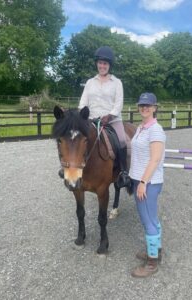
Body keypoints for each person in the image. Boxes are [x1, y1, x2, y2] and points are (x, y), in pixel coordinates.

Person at [78, 46, 130, 188]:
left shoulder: (117, 82)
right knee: (76, 139)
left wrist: (110, 115)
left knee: (122, 140)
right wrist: (84, 115)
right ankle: (74, 168)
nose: (102, 66)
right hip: (92, 120)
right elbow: (83, 103)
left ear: (109, 65)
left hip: (112, 120)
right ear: (97, 64)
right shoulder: (90, 82)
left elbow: (119, 103)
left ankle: (123, 173)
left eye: (105, 64)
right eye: (100, 63)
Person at [129, 92, 166, 278]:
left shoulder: (155, 129)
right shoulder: (141, 128)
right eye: (142, 105)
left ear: (154, 108)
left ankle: (151, 263)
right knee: (152, 218)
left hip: (148, 182)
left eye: (148, 105)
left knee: (147, 221)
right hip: (140, 179)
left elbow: (155, 159)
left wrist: (143, 182)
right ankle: (156, 251)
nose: (144, 108)